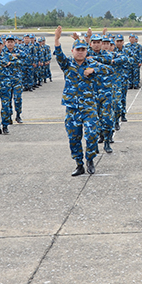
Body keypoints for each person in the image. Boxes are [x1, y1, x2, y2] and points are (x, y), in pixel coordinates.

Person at [54, 26, 112, 175]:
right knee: (74, 137)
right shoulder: (67, 65)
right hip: (73, 108)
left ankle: (90, 160)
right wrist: (57, 39)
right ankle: (79, 164)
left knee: (92, 133)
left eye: (83, 50)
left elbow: (111, 70)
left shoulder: (92, 64)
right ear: (73, 51)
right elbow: (59, 55)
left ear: (86, 51)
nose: (80, 52)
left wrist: (95, 70)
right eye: (77, 50)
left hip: (89, 107)